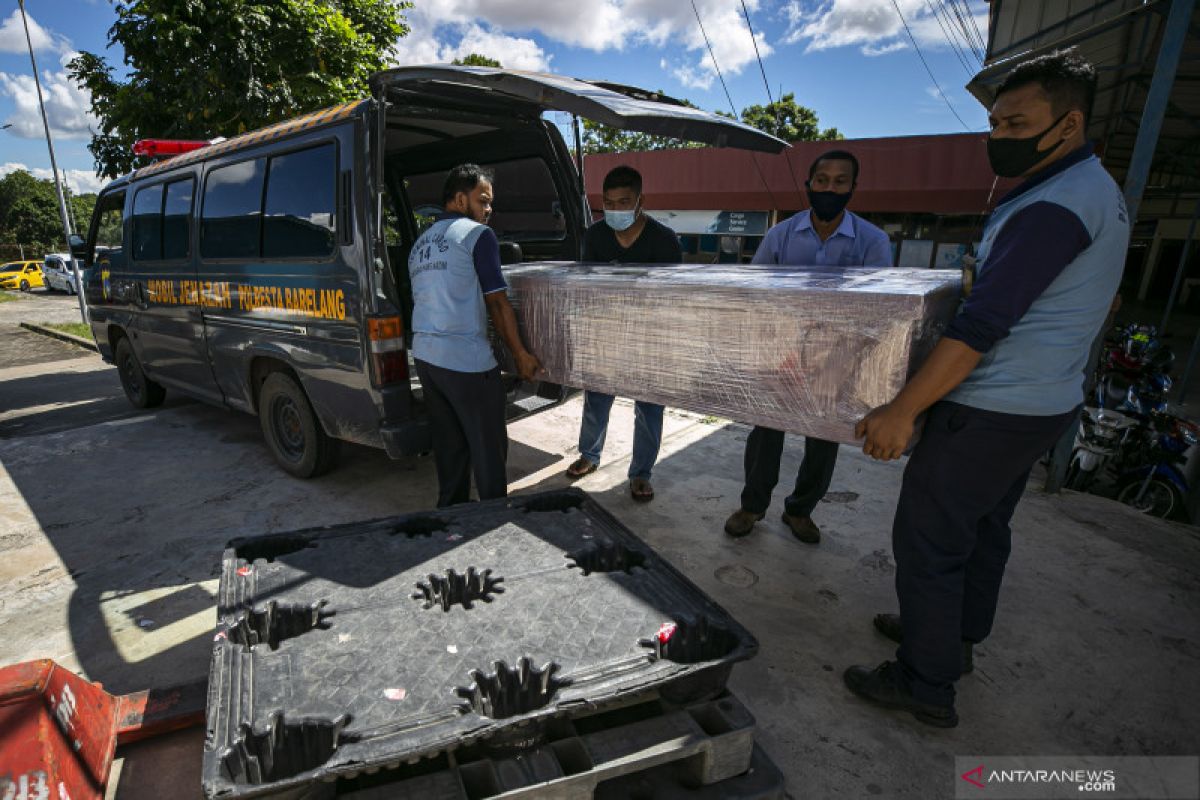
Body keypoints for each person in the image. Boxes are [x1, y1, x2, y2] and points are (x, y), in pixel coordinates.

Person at [846, 50, 1128, 728]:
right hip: (1042, 403)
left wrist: (902, 409)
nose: (998, 135)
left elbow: (982, 326)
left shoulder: (1054, 207)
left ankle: (925, 682)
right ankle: (951, 639)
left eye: (1016, 122)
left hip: (992, 408)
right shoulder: (1091, 190)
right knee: (981, 529)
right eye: (995, 122)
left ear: (1068, 125)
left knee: (930, 539)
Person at [723, 150, 891, 543]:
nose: (829, 188)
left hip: (837, 360)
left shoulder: (872, 241)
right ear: (808, 184)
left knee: (823, 440)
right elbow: (757, 292)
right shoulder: (780, 235)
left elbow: (879, 308)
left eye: (839, 181)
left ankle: (800, 510)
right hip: (780, 354)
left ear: (852, 187)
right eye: (822, 180)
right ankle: (752, 506)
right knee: (765, 434)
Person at [409, 163, 541, 508]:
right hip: (466, 362)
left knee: (450, 447)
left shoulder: (420, 243)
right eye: (482, 201)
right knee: (488, 450)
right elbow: (497, 303)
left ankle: (451, 516)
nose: (488, 210)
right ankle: (493, 519)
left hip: (426, 358)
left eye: (490, 203)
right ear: (458, 198)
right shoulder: (476, 236)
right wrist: (521, 355)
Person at [565, 165, 683, 502]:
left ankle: (641, 473)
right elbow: (588, 289)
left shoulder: (664, 240)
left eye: (623, 202)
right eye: (609, 203)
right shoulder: (595, 236)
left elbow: (671, 297)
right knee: (597, 400)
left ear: (640, 201)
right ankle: (590, 455)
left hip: (650, 340)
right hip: (606, 335)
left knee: (648, 409)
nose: (615, 210)